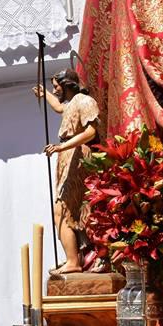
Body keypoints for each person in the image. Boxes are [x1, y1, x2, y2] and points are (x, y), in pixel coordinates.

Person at [34, 68, 101, 274]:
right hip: (68, 155)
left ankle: (74, 261)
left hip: (77, 154)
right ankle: (74, 258)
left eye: (56, 87)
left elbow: (91, 131)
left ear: (67, 84)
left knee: (62, 209)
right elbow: (60, 109)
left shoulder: (85, 101)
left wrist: (63, 146)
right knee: (64, 209)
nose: (55, 91)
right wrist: (45, 95)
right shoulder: (72, 103)